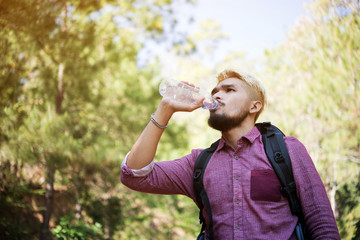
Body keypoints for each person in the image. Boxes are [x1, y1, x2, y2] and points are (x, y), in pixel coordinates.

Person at [121, 69, 340, 239]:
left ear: (254, 106)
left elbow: (320, 221)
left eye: (229, 90)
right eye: (215, 91)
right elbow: (134, 175)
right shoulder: (198, 162)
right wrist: (165, 109)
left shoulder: (287, 149)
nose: (217, 94)